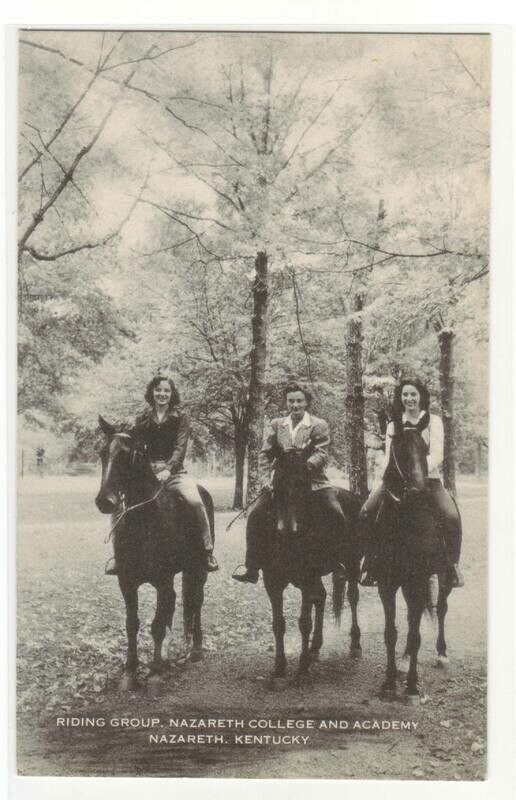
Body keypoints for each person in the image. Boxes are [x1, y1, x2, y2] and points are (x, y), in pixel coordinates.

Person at [233, 382, 351, 584]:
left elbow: (322, 453)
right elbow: (265, 454)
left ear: (306, 403)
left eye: (299, 401)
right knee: (255, 514)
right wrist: (264, 480)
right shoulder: (277, 425)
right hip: (281, 482)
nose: (295, 405)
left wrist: (305, 465)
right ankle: (251, 566)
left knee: (336, 512)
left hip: (313, 481)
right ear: (286, 402)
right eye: (291, 401)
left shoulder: (318, 424)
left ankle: (340, 562)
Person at [105, 375, 218, 575]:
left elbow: (180, 447)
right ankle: (118, 556)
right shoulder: (143, 419)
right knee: (120, 505)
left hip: (175, 473)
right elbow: (136, 445)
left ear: (172, 394)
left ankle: (207, 551)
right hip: (148, 474)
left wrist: (169, 468)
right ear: (152, 393)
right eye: (158, 390)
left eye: (166, 390)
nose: (162, 394)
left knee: (195, 501)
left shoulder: (181, 417)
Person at [359, 378, 464, 589]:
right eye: (405, 395)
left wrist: (416, 470)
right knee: (366, 511)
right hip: (396, 481)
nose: (409, 399)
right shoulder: (393, 423)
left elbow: (437, 454)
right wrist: (381, 480)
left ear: (421, 397)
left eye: (413, 394)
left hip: (429, 480)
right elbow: (389, 456)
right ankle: (370, 563)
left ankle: (452, 566)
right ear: (400, 398)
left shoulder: (433, 421)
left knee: (451, 515)